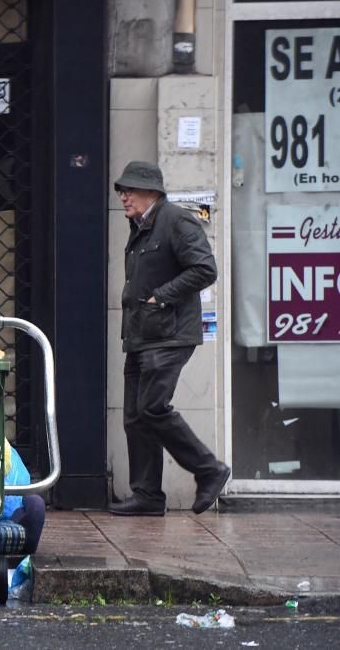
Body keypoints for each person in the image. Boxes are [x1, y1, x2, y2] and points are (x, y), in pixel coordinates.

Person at [109, 161, 230, 516]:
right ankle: (147, 495)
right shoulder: (139, 227)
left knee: (152, 407)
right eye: (121, 190)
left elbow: (205, 269)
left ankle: (210, 470)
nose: (123, 196)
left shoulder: (176, 220)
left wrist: (160, 296)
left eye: (129, 190)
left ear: (152, 192)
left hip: (169, 333)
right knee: (134, 416)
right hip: (141, 334)